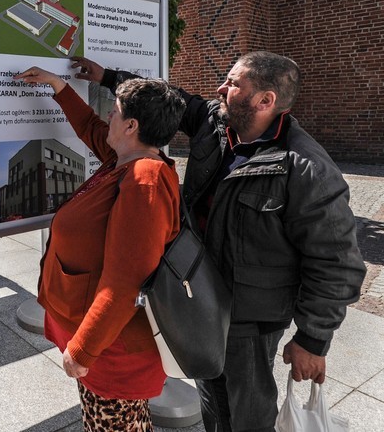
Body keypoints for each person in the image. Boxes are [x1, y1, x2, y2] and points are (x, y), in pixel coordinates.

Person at [69, 52, 366, 431]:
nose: (221, 89)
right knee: (212, 398)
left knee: (248, 410)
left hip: (250, 319)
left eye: (232, 84)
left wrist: (312, 339)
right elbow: (171, 97)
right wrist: (107, 75)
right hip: (201, 300)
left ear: (265, 101)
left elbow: (337, 264)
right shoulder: (215, 122)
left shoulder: (305, 168)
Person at [13, 68, 185, 430]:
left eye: (116, 110)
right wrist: (58, 86)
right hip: (103, 341)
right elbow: (90, 126)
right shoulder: (123, 159)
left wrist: (84, 349)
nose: (109, 114)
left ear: (132, 126)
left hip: (112, 350)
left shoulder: (144, 180)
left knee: (112, 424)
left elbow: (126, 280)